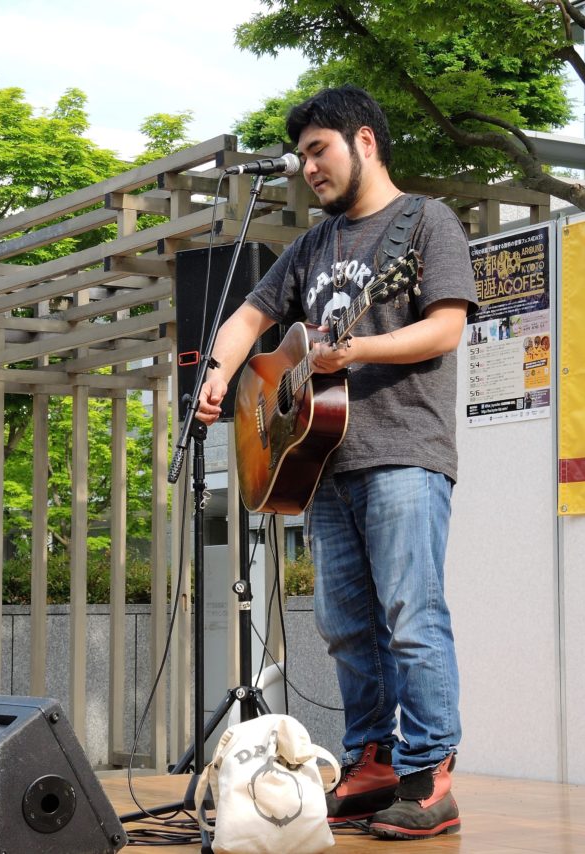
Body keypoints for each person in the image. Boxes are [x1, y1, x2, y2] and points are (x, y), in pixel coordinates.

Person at [196, 85, 476, 840]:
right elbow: (250, 318)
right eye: (301, 157)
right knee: (346, 626)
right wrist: (220, 373)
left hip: (403, 451)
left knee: (411, 617)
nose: (307, 168)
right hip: (320, 464)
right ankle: (373, 760)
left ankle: (429, 775)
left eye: (318, 150)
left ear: (366, 141)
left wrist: (356, 349)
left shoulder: (425, 223)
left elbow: (445, 328)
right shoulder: (311, 248)